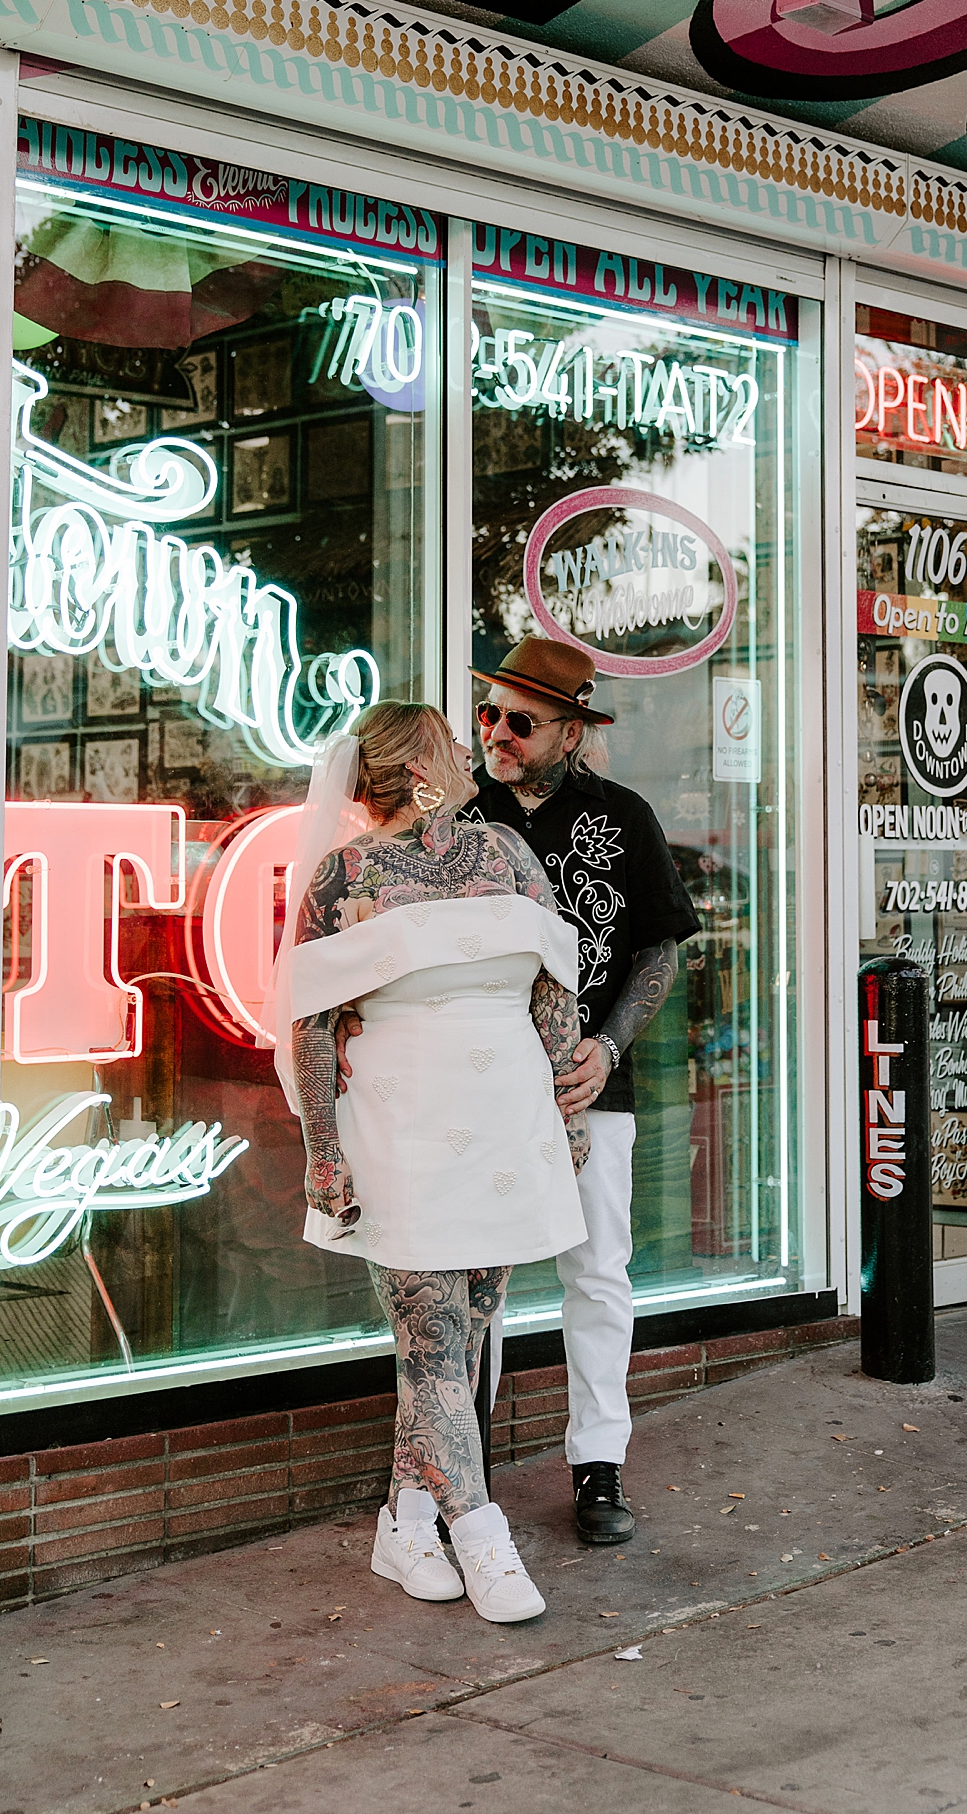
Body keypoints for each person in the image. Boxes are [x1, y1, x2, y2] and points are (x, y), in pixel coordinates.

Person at [276, 699, 590, 1625]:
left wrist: (568, 1115)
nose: (470, 748)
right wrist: (321, 1152)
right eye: (452, 739)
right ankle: (481, 1534)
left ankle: (405, 1520)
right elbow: (311, 1023)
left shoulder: (507, 855)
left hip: (503, 1122)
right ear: (417, 765)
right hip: (399, 1125)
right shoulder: (342, 877)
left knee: (467, 1334)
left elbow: (551, 982)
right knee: (431, 1338)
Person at [470, 637, 701, 1546]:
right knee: (469, 1276)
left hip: (586, 1088)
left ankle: (598, 1464)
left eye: (520, 721)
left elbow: (660, 947)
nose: (496, 733)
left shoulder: (625, 817)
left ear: (572, 729)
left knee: (597, 1274)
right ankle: (462, 1465)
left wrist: (608, 1046)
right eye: (488, 713)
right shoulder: (455, 811)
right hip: (475, 1085)